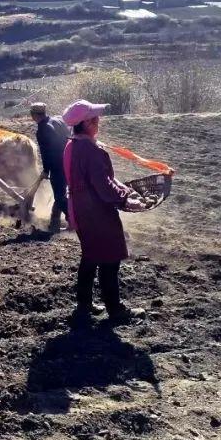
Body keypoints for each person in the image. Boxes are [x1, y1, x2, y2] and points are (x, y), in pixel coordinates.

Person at [61, 99, 147, 323]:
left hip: (80, 209)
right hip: (97, 213)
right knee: (110, 260)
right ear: (86, 123)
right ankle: (115, 311)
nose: (98, 122)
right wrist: (125, 199)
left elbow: (103, 180)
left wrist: (124, 191)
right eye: (95, 119)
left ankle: (84, 305)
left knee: (90, 256)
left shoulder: (72, 145)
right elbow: (103, 185)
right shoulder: (90, 150)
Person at [30, 101, 70, 232]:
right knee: (62, 193)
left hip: (57, 166)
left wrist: (46, 170)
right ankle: (55, 223)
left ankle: (75, 221)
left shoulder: (42, 129)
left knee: (59, 196)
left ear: (33, 115)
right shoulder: (58, 120)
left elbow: (47, 152)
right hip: (69, 161)